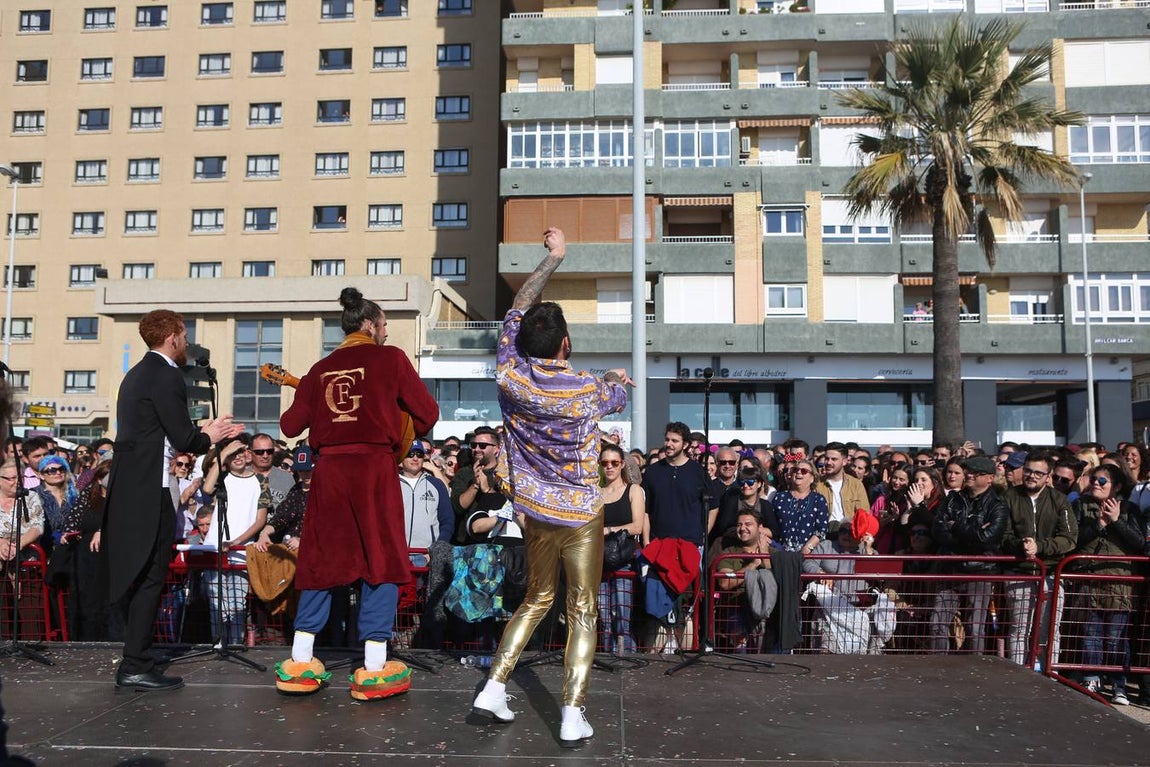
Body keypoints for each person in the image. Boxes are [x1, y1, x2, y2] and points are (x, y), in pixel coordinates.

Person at [470, 227, 630, 747]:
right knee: (582, 607)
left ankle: (495, 684)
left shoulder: (508, 375)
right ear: (566, 344)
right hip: (581, 514)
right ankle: (572, 711)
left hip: (533, 511)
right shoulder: (587, 390)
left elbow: (519, 302)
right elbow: (617, 399)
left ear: (520, 341)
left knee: (536, 598)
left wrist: (552, 259)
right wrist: (616, 380)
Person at [277, 287, 439, 699]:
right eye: (384, 325)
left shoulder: (320, 368)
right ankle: (373, 665)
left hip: (329, 470)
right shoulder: (391, 359)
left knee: (320, 557)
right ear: (370, 325)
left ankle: (300, 662)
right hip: (373, 469)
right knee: (380, 557)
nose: (385, 332)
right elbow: (428, 413)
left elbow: (291, 425)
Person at [102, 309, 243, 692]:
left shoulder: (137, 375)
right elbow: (183, 439)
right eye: (183, 334)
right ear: (173, 338)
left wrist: (202, 432)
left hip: (134, 486)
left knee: (143, 576)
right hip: (150, 490)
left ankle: (137, 657)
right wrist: (210, 436)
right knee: (151, 577)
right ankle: (135, 663)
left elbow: (158, 431)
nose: (185, 343)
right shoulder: (166, 374)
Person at [1072, 463, 1145, 705]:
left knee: (1116, 637)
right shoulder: (1080, 506)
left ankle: (1118, 684)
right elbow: (1074, 540)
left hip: (1120, 583)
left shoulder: (1130, 510)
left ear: (1117, 486)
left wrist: (1115, 521)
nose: (1095, 483)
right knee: (1090, 634)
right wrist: (1099, 525)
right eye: (1094, 478)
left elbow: (1138, 544)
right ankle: (1091, 677)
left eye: (1102, 481)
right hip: (1089, 580)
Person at [1001, 452, 1077, 669]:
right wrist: (1020, 545)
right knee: (1019, 629)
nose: (1032, 476)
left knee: (1049, 629)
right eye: (1028, 471)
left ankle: (1049, 674)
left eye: (1038, 472)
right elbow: (1003, 535)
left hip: (1051, 573)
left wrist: (1040, 546)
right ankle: (1018, 675)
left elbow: (1069, 538)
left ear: (1048, 475)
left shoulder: (1059, 500)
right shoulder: (1009, 497)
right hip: (1019, 572)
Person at [929, 455, 1009, 655]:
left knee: (975, 628)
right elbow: (938, 531)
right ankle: (937, 667)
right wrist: (971, 533)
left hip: (980, 571)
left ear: (989, 478)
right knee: (937, 622)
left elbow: (988, 538)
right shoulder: (952, 499)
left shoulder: (997, 505)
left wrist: (956, 526)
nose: (969, 475)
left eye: (976, 472)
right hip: (950, 569)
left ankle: (975, 670)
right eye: (969, 471)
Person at [597, 443, 645, 655]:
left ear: (622, 464)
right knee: (605, 617)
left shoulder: (633, 490)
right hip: (600, 561)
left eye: (614, 463)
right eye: (605, 463)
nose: (609, 467)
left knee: (622, 618)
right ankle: (609, 656)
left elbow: (638, 525)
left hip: (624, 558)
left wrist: (610, 530)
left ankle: (626, 658)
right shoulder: (596, 493)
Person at [643, 422, 714, 550]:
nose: (669, 444)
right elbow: (645, 510)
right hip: (658, 544)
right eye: (667, 440)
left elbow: (713, 506)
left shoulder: (699, 472)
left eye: (674, 441)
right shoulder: (652, 472)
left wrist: (703, 534)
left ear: (685, 445)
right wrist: (647, 542)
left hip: (691, 544)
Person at [773, 458, 828, 555]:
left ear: (812, 478)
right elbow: (773, 525)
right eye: (795, 470)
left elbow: (821, 530)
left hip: (810, 553)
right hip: (781, 552)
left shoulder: (819, 500)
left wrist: (807, 548)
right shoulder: (779, 497)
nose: (799, 472)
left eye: (804, 471)